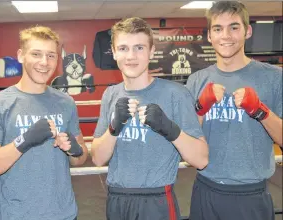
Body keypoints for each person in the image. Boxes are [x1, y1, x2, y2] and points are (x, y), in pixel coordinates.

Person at [91, 17, 209, 220]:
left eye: (139, 48)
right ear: (114, 51)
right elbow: (98, 158)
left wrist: (170, 129)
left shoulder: (176, 94)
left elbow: (201, 160)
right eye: (123, 48)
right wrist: (113, 127)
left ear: (151, 51)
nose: (131, 56)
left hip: (157, 200)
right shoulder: (111, 95)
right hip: (117, 199)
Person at [0, 25, 88, 220]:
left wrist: (75, 150)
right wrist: (25, 140)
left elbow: (81, 158)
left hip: (65, 214)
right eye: (36, 54)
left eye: (51, 55)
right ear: (21, 55)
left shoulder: (65, 102)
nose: (44, 62)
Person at [186, 1, 283, 220]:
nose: (225, 36)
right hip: (205, 190)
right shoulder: (196, 80)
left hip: (251, 194)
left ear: (247, 31)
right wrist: (200, 108)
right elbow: (188, 140)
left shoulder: (274, 77)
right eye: (218, 28)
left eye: (234, 27)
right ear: (209, 35)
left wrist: (261, 112)